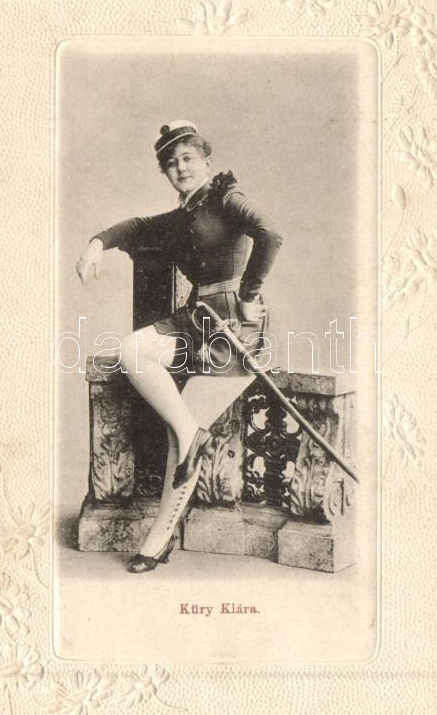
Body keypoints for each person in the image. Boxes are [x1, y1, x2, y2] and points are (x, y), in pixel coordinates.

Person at [77, 120, 283, 573]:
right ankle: (191, 431)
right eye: (171, 163)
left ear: (206, 161)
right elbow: (136, 226)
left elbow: (270, 234)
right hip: (194, 320)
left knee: (177, 443)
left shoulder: (227, 198)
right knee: (134, 350)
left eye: (188, 158)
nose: (181, 168)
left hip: (234, 330)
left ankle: (157, 542)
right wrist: (96, 244)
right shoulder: (182, 216)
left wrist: (249, 294)